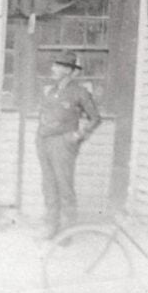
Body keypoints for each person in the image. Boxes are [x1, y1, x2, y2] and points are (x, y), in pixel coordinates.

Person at [36, 51, 101, 239]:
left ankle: (67, 232)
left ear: (68, 70)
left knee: (64, 187)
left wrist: (78, 135)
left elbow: (95, 118)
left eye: (58, 66)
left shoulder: (80, 92)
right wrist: (40, 136)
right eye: (55, 65)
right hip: (44, 142)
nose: (53, 69)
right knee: (49, 186)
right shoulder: (51, 90)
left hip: (63, 145)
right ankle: (51, 228)